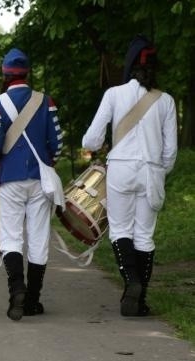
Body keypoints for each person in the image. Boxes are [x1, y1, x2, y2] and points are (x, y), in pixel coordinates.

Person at [82, 35, 177, 317]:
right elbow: (170, 151)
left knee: (121, 230)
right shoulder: (167, 101)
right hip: (151, 170)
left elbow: (91, 141)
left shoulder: (114, 94)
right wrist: (159, 172)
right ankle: (139, 300)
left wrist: (94, 145)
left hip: (120, 169)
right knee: (144, 236)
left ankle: (131, 284)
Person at [0, 48, 63, 321]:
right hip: (40, 178)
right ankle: (33, 300)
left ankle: (17, 289)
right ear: (27, 73)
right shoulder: (46, 101)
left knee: (11, 237)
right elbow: (57, 144)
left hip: (10, 179)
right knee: (38, 238)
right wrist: (46, 160)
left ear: (5, 75)